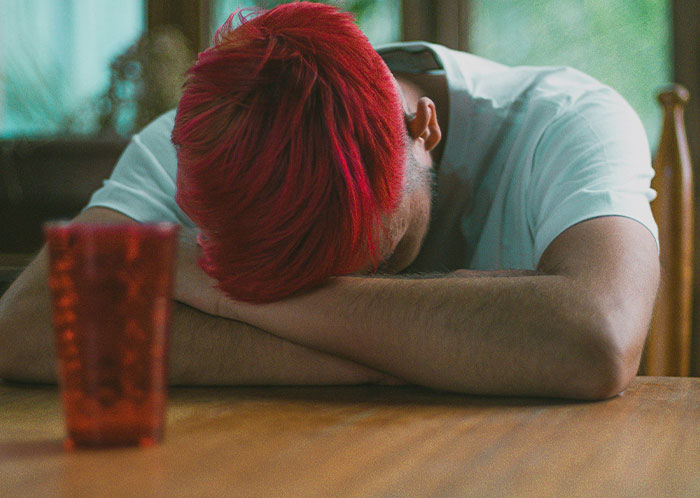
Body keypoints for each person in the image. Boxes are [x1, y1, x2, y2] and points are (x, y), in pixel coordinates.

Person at [0, 3, 659, 399]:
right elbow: (26, 328)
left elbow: (595, 338)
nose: (344, 289)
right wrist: (426, 354)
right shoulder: (212, 141)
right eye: (290, 280)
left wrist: (225, 293)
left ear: (422, 127)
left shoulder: (569, 121)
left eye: (384, 254)